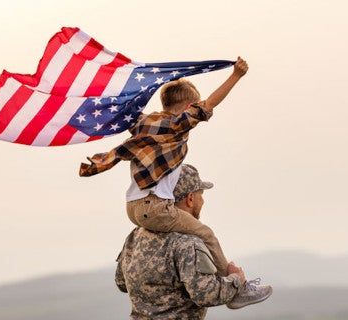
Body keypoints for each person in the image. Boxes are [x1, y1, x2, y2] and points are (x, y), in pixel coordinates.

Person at [81, 57, 255, 278]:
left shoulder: (145, 122)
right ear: (188, 107)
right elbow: (210, 104)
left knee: (163, 233)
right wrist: (236, 76)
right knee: (206, 234)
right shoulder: (176, 125)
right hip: (155, 206)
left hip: (132, 207)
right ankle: (233, 284)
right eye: (194, 106)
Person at [115, 164, 273, 319]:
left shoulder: (135, 236)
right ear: (190, 198)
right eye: (201, 195)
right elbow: (205, 294)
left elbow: (121, 282)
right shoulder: (187, 243)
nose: (203, 201)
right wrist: (236, 280)